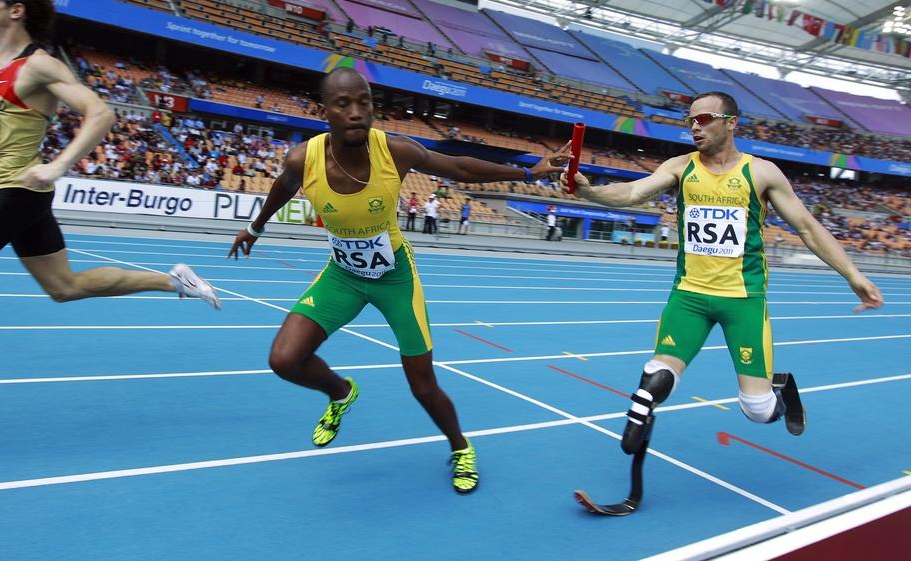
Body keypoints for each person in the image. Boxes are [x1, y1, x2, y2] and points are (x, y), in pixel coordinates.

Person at [0, 0, 221, 424]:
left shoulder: (38, 66)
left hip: (19, 191)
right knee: (65, 287)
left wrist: (58, 164)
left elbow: (101, 113)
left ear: (16, 10)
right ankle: (175, 281)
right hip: (16, 195)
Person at [228, 67, 569, 493]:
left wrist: (529, 173)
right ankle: (340, 393)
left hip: (395, 279)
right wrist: (255, 227)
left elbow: (459, 167)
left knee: (422, 386)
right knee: (283, 360)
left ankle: (461, 447)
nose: (356, 112)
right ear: (325, 112)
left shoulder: (396, 151)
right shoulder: (303, 159)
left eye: (364, 102)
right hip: (343, 276)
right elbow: (284, 185)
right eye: (343, 104)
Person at [566, 91, 884, 455]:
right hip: (689, 296)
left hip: (743, 300)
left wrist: (853, 275)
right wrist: (591, 193)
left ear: (730, 123)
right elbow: (634, 192)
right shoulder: (680, 166)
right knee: (654, 376)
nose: (694, 127)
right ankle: (639, 442)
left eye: (703, 119)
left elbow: (808, 228)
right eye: (690, 121)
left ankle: (779, 389)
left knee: (758, 410)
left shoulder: (761, 172)